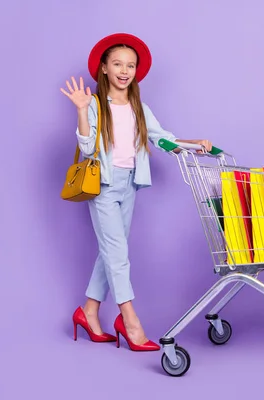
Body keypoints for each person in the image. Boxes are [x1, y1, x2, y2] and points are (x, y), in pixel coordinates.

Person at [60, 33, 212, 351]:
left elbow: (161, 138)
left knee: (110, 251)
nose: (124, 70)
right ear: (103, 68)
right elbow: (87, 149)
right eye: (117, 63)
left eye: (130, 65)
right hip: (102, 185)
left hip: (130, 184)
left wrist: (192, 144)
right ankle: (130, 321)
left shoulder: (138, 107)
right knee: (118, 255)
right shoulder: (94, 105)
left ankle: (88, 312)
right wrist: (80, 110)